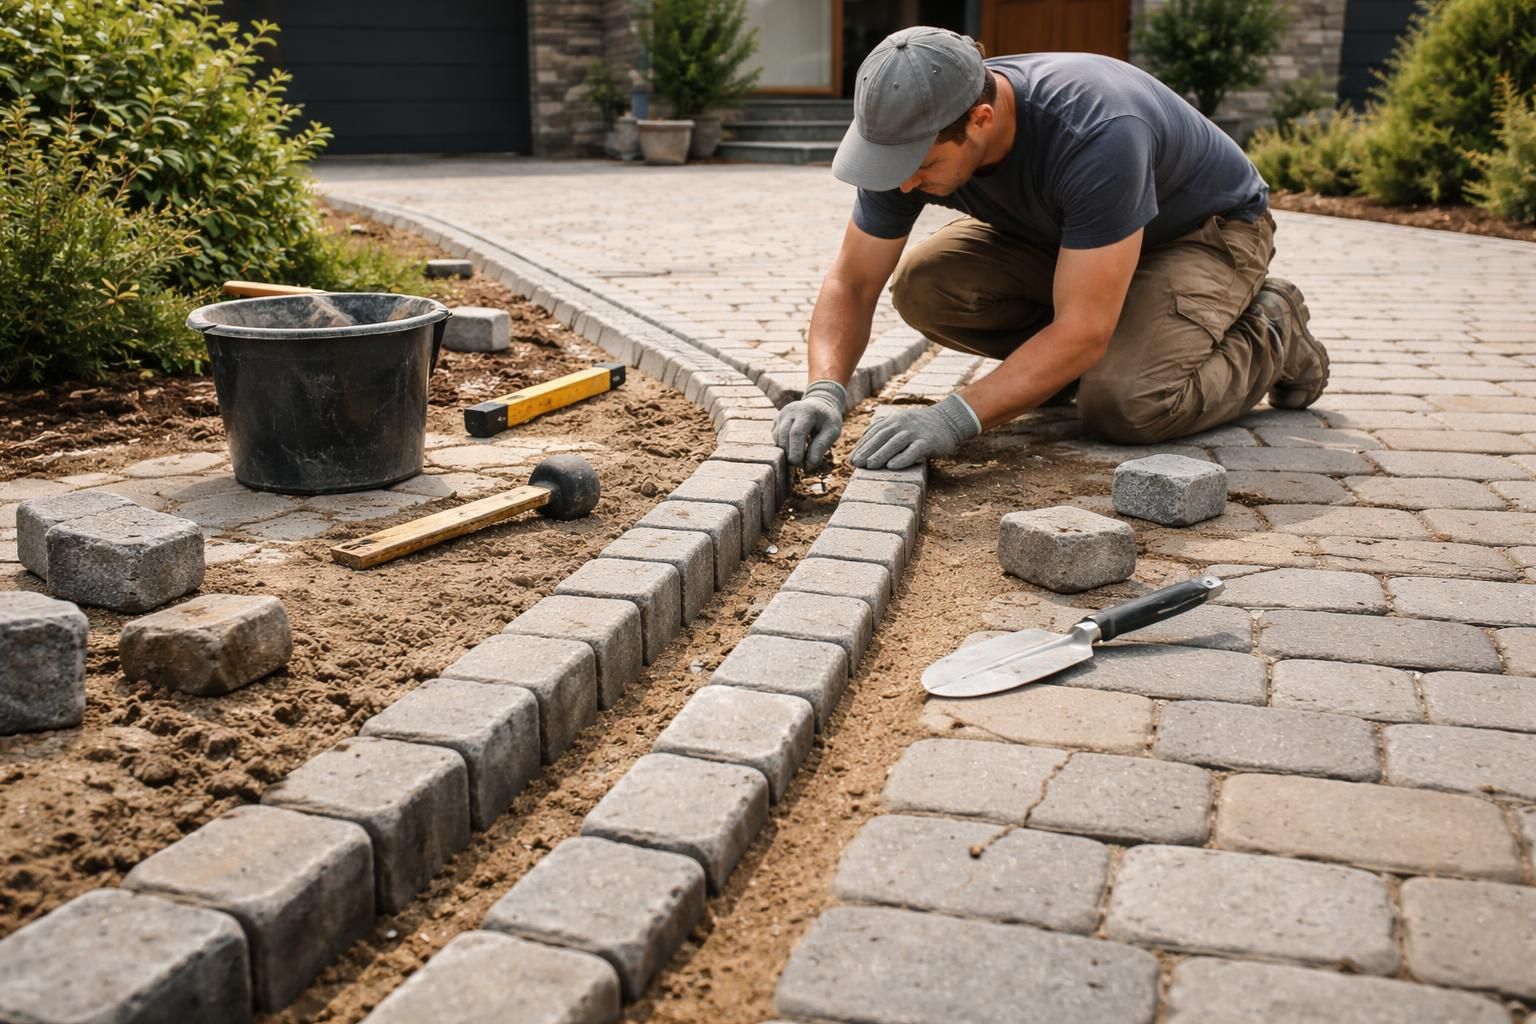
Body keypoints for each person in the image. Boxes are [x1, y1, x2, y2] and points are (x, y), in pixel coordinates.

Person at [773, 26, 1329, 472]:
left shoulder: (1097, 132)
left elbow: (1084, 326)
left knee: (1127, 404)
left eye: (920, 168)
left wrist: (954, 418)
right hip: (1072, 239)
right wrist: (824, 392)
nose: (901, 186)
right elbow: (853, 281)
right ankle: (1074, 366)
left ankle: (1273, 327)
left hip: (1200, 232)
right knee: (927, 285)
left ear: (980, 120)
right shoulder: (906, 143)